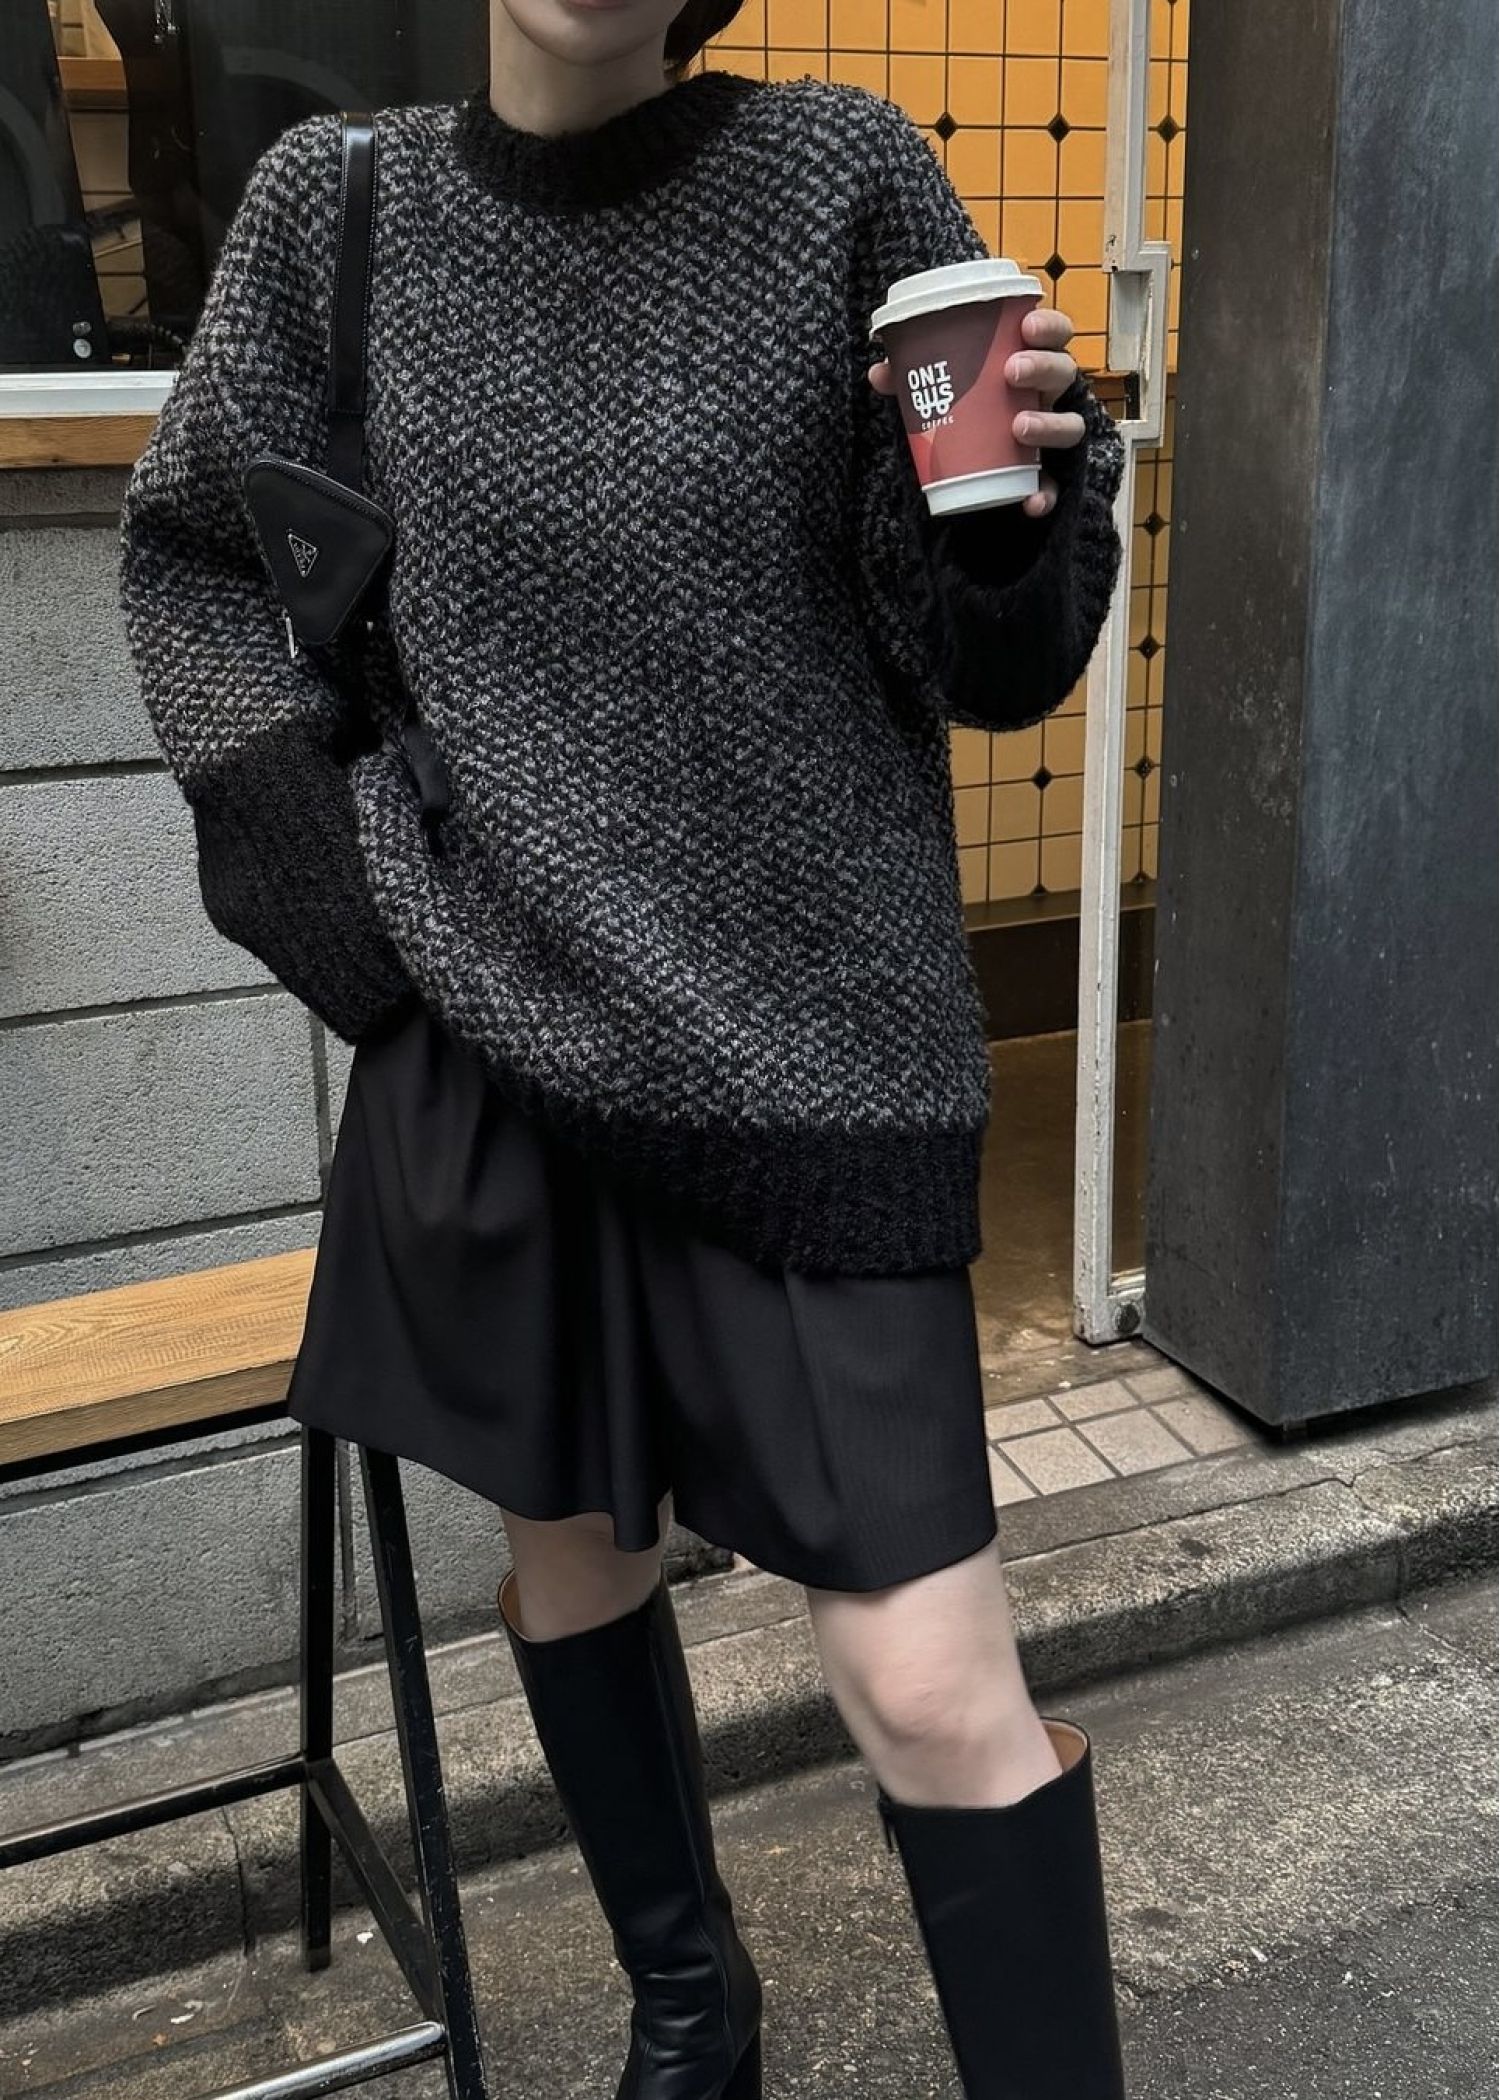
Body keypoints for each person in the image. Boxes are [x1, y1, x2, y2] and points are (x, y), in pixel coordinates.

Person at [116, 1, 1130, 2093]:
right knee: (570, 1565)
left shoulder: (839, 178)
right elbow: (191, 559)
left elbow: (996, 667)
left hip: (814, 1059)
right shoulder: (336, 210)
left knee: (931, 1688)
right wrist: (337, 901)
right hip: (485, 1039)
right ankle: (692, 2009)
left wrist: (1015, 522)